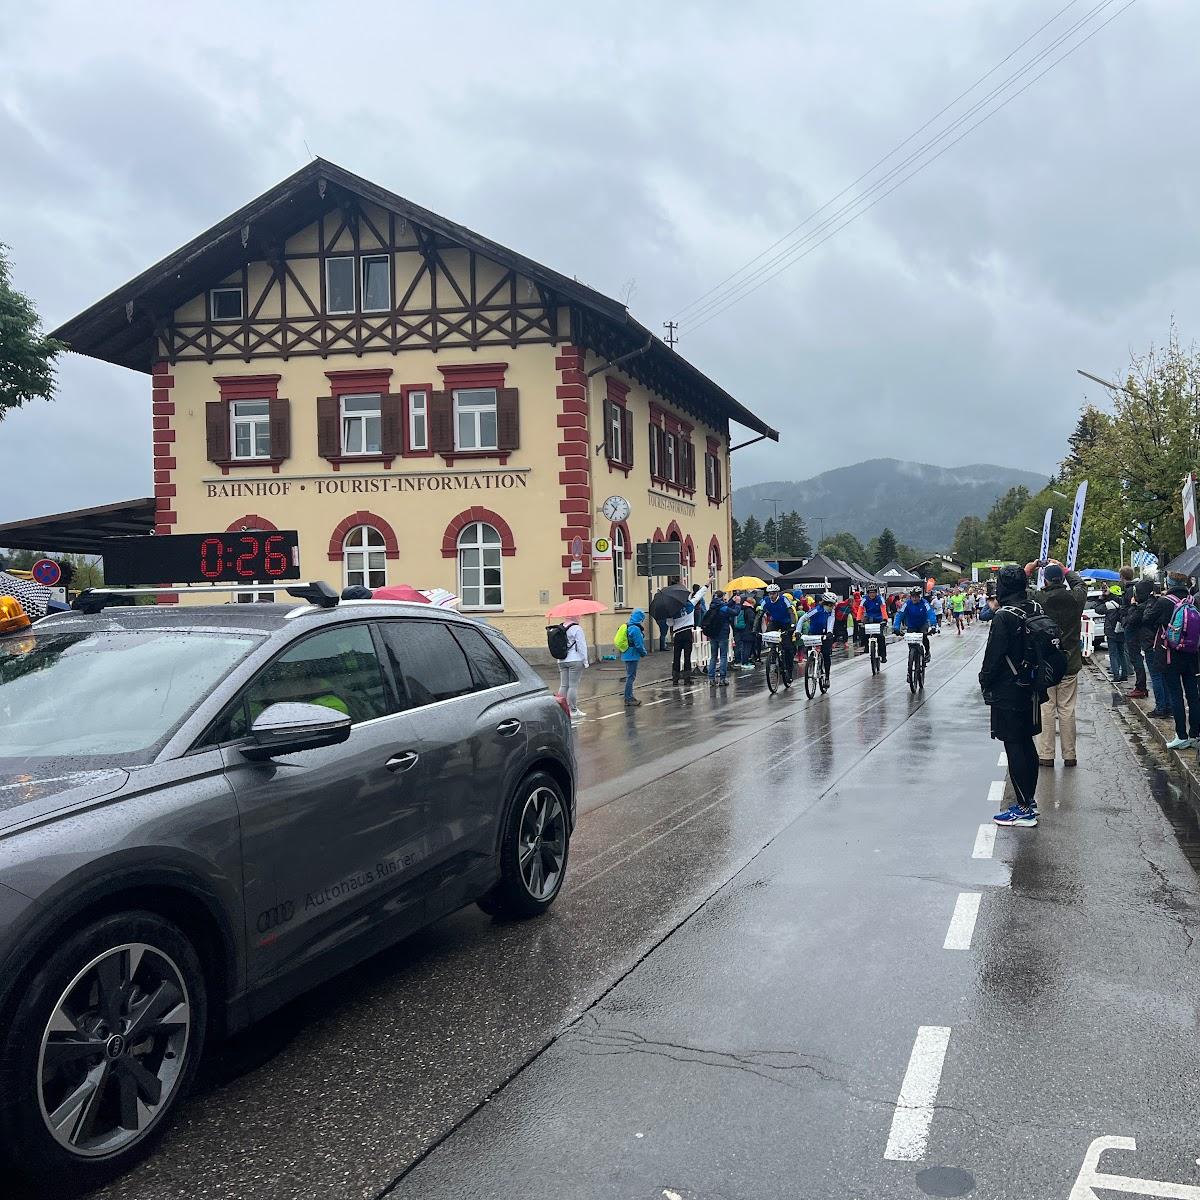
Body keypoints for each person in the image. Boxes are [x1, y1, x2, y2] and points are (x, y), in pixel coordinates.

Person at [981, 564, 1044, 826]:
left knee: (1014, 745)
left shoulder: (1004, 615)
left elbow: (993, 656)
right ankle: (1029, 800)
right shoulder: (1035, 608)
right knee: (1028, 744)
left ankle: (1023, 807)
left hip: (1009, 689)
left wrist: (985, 682)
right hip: (1032, 687)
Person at [1032, 560, 1087, 768]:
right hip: (1070, 661)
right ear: (1062, 578)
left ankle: (1046, 755)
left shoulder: (1039, 599)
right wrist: (1066, 569)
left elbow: (1020, 590)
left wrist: (1030, 568)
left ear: (1045, 581)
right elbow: (1080, 584)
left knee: (1046, 708)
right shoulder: (1076, 598)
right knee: (1067, 709)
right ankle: (1069, 755)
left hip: (1045, 661)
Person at [1145, 571, 1200, 749]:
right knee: (1193, 695)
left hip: (1169, 655)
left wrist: (1152, 600)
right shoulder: (1193, 601)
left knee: (1176, 695)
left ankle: (1181, 735)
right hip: (1191, 654)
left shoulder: (1163, 602)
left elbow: (1147, 619)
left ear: (1168, 583)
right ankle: (1195, 734)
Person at [1120, 569, 1149, 699]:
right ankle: (1140, 686)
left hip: (1132, 627)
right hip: (1135, 627)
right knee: (1136, 657)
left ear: (1122, 577)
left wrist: (1125, 621)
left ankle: (1140, 687)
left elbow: (1131, 609)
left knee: (1135, 657)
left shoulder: (1130, 591)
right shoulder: (1135, 588)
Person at [798, 591, 838, 681]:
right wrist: (798, 631)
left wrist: (829, 632)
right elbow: (802, 619)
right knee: (808, 650)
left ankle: (827, 676)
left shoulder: (832, 611)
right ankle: (811, 661)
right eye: (831, 605)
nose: (832, 607)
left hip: (825, 634)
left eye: (833, 605)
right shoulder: (816, 610)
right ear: (825, 604)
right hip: (814, 633)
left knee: (826, 654)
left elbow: (831, 621)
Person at [761, 582, 797, 682]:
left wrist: (793, 625)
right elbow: (759, 615)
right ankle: (773, 651)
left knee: (788, 648)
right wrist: (754, 629)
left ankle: (789, 671)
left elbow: (791, 613)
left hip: (786, 623)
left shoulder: (784, 600)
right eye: (769, 594)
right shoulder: (766, 601)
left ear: (777, 593)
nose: (771, 596)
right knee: (768, 633)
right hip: (775, 621)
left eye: (773, 593)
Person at [1097, 584, 1129, 683]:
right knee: (1122, 653)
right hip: (1121, 631)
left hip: (1111, 632)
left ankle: (1116, 676)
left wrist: (1101, 599)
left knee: (1113, 654)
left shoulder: (1109, 604)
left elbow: (1097, 609)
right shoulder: (1123, 602)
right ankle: (1124, 675)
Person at [558, 617, 589, 720]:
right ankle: (573, 710)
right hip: (575, 659)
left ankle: (561, 709)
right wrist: (585, 661)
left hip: (561, 660)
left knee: (563, 685)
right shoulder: (576, 628)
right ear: (575, 617)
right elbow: (581, 646)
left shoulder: (560, 627)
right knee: (573, 686)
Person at [705, 590, 737, 685]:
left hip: (713, 634)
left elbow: (726, 606)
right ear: (721, 597)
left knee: (713, 657)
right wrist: (738, 604)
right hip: (722, 634)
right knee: (723, 656)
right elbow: (735, 612)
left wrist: (732, 600)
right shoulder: (723, 608)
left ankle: (711, 678)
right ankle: (722, 678)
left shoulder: (711, 607)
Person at [894, 586, 932, 663]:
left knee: (924, 636)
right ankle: (912, 654)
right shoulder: (907, 603)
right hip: (911, 626)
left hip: (922, 624)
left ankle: (927, 652)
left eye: (916, 597)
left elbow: (931, 613)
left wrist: (934, 626)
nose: (914, 599)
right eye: (913, 597)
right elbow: (900, 615)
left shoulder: (925, 603)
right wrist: (896, 627)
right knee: (910, 641)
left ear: (919, 596)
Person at [669, 589, 698, 684]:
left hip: (677, 634)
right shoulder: (690, 605)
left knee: (676, 657)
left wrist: (669, 616)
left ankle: (675, 679)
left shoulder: (673, 610)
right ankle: (687, 679)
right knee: (687, 656)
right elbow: (699, 595)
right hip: (687, 633)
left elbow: (670, 623)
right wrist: (707, 584)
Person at [622, 608, 648, 706]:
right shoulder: (636, 629)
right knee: (631, 677)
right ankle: (628, 698)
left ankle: (629, 696)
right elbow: (639, 644)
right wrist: (643, 653)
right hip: (632, 655)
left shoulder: (628, 625)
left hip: (626, 653)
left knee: (630, 676)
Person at [861, 582, 888, 662]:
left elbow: (883, 609)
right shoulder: (865, 599)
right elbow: (860, 609)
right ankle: (865, 646)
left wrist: (885, 619)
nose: (872, 594)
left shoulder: (880, 598)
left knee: (881, 637)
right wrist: (859, 620)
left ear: (876, 593)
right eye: (870, 593)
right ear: (868, 593)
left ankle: (883, 655)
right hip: (869, 618)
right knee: (863, 631)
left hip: (879, 619)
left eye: (873, 592)